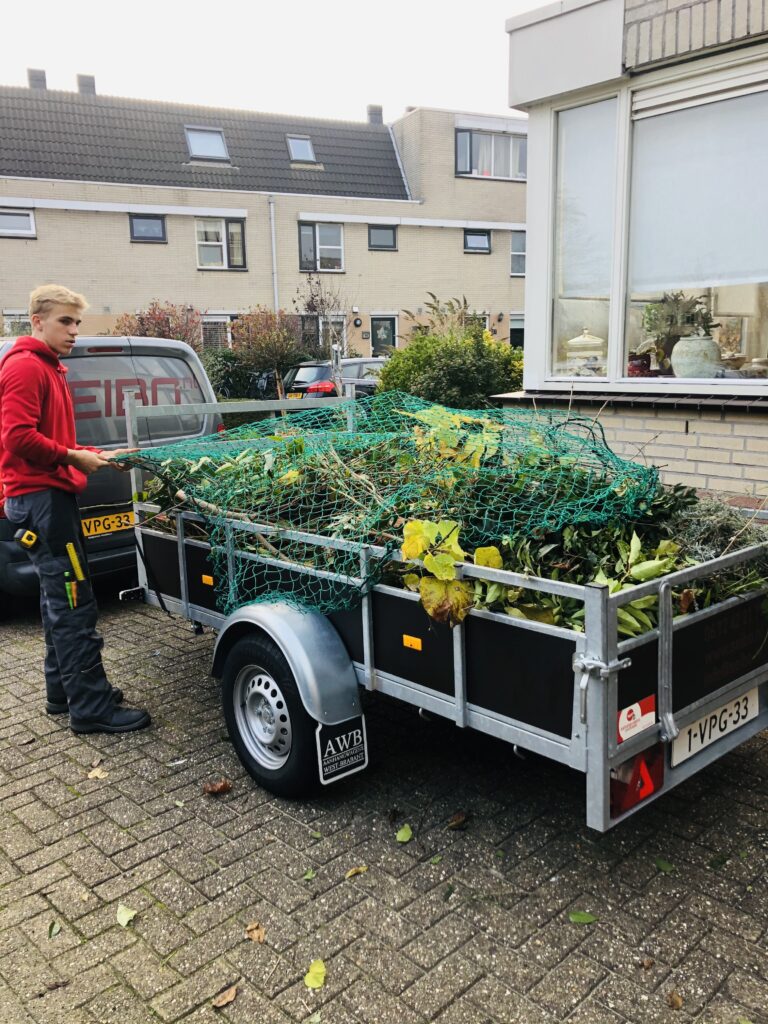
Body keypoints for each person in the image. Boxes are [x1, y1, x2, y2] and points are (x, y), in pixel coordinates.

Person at [0, 284, 151, 734]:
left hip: (49, 498)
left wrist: (94, 454)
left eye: (77, 322)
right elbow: (16, 438)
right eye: (66, 321)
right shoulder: (27, 368)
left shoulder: (51, 368)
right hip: (42, 504)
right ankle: (91, 708)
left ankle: (63, 692)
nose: (74, 331)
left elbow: (54, 440)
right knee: (74, 602)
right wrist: (72, 458)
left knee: (57, 601)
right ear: (38, 321)